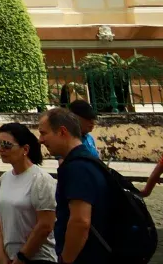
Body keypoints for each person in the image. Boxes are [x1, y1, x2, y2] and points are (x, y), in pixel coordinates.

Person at [37, 107, 108, 264]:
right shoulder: (86, 160)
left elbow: (80, 222)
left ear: (62, 132)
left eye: (43, 133)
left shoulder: (77, 168)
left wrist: (66, 259)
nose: (40, 140)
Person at [0, 122, 57, 264]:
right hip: (9, 257)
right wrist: (0, 253)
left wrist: (22, 257)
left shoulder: (41, 180)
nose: (0, 149)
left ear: (25, 149)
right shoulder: (4, 179)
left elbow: (45, 225)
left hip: (38, 258)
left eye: (6, 145)